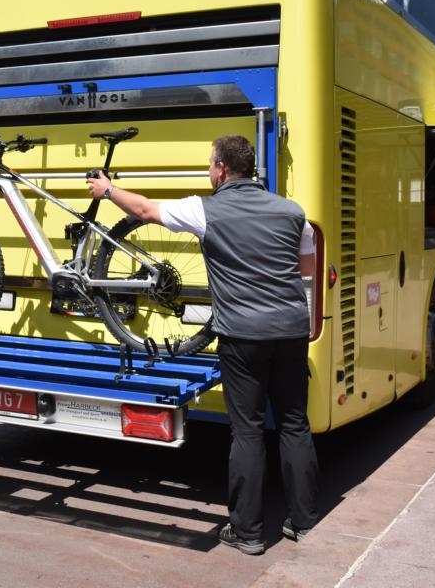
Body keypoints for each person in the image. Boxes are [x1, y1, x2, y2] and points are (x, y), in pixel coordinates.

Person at [86, 135, 319, 555]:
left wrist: (107, 190)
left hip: (242, 336)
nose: (209, 171)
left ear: (222, 169)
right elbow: (305, 271)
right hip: (290, 331)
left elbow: (143, 210)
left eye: (210, 164)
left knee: (247, 431)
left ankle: (247, 532)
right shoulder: (293, 213)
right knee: (294, 424)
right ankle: (304, 522)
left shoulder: (205, 209)